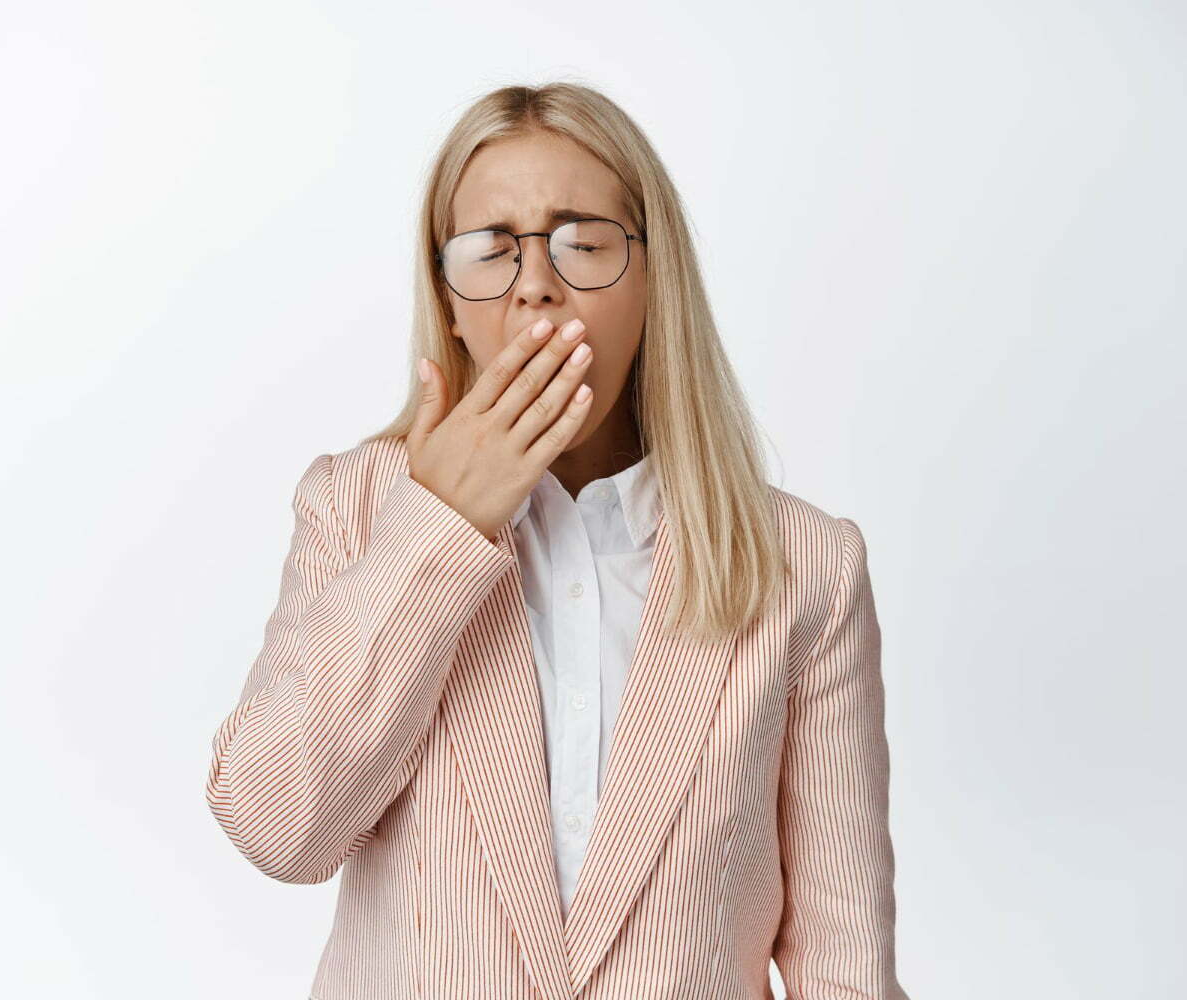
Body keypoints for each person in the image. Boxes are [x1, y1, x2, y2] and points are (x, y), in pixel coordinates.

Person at [205, 81, 911, 1000]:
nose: (536, 281)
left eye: (582, 242)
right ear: (449, 301)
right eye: (491, 252)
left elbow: (845, 967)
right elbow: (279, 826)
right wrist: (440, 530)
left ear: (655, 280)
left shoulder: (805, 566)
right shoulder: (357, 507)